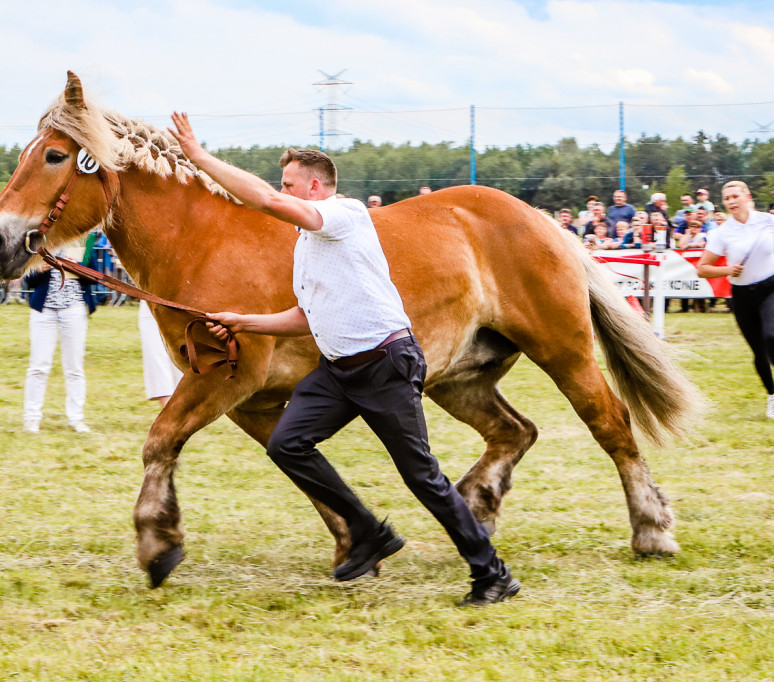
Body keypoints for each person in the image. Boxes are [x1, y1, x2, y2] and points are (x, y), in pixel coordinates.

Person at [169, 111, 519, 607]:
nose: (280, 190)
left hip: (386, 365)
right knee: (288, 443)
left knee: (422, 477)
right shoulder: (309, 245)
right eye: (281, 183)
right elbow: (304, 316)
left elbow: (266, 202)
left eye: (289, 183)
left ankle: (493, 575)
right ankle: (366, 531)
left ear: (316, 186)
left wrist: (200, 158)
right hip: (338, 370)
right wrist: (243, 321)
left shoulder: (344, 215)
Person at [697, 180, 774, 419]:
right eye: (727, 199)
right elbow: (702, 268)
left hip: (771, 287)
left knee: (770, 336)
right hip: (742, 295)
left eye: (735, 196)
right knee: (758, 351)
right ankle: (773, 397)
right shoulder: (721, 233)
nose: (731, 202)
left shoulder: (766, 220)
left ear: (747, 196)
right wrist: (727, 270)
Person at [22, 245, 98, 434]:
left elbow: (95, 276)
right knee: (39, 366)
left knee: (74, 367)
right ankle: (31, 417)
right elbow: (28, 280)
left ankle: (76, 418)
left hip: (74, 308)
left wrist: (77, 267)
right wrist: (39, 269)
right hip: (44, 310)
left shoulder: (83, 242)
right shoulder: (41, 244)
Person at [138, 303, 182, 408]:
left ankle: (174, 415)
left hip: (184, 300)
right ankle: (170, 414)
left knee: (180, 361)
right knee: (155, 353)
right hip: (151, 300)